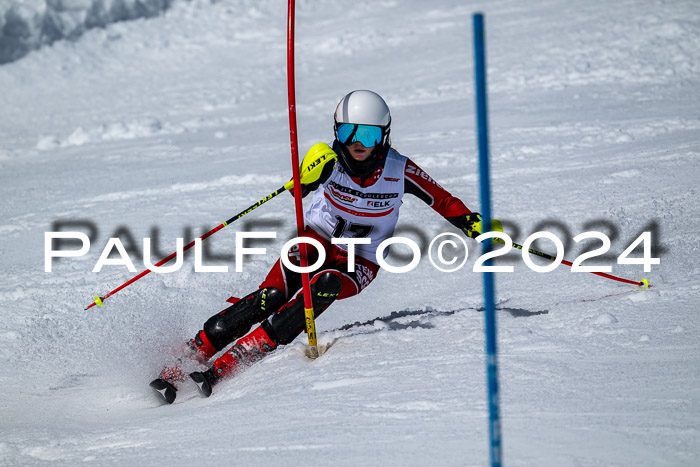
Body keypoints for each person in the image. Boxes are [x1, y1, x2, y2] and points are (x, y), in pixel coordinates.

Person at [149, 90, 493, 403]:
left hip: (361, 261)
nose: (358, 143)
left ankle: (233, 361)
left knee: (323, 286)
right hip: (315, 239)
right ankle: (184, 360)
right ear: (337, 132)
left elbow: (443, 200)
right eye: (349, 133)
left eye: (369, 134)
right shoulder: (328, 159)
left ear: (384, 137)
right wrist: (306, 175)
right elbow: (300, 192)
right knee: (269, 297)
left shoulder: (399, 170)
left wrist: (473, 224)